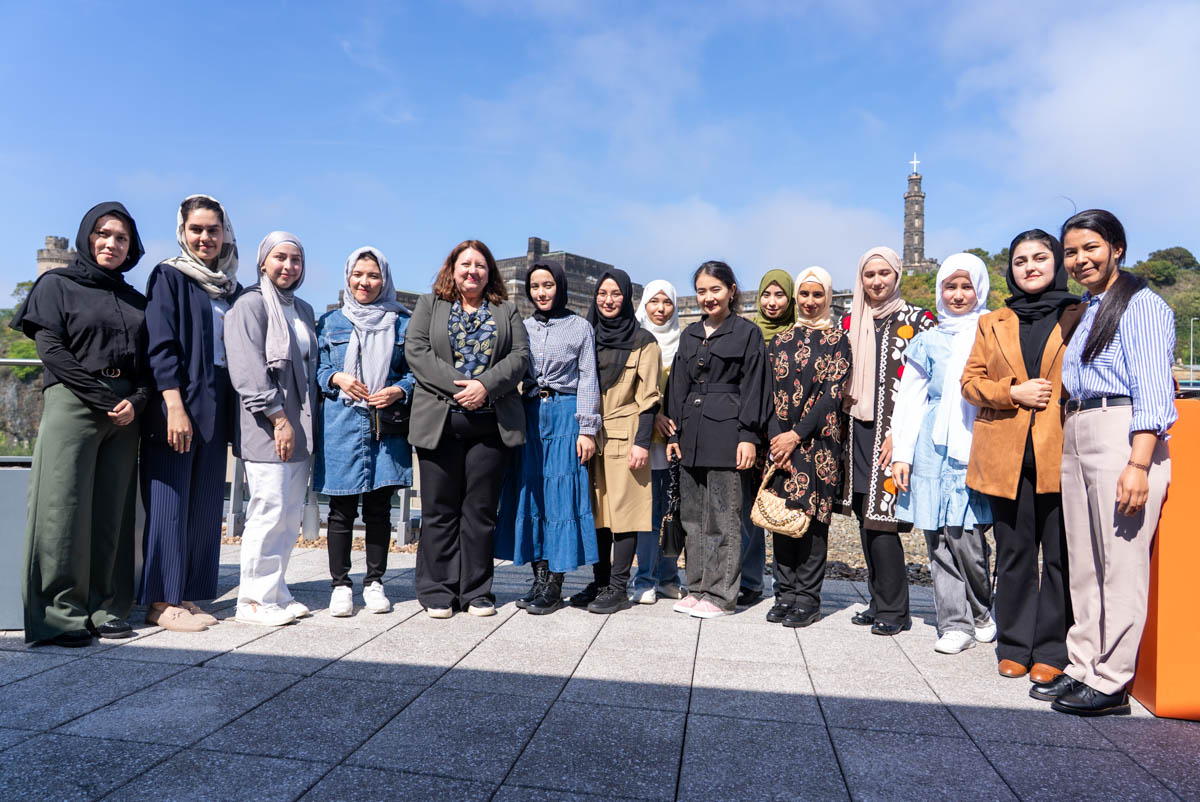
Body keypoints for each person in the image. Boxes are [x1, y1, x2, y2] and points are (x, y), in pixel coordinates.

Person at [1031, 210, 1175, 717]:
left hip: (1123, 430)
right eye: (1071, 252)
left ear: (1116, 247)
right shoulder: (1089, 309)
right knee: (1085, 561)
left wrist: (1138, 463)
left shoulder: (1142, 306)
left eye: (1090, 247)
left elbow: (1154, 391)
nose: (1079, 259)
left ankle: (1112, 680)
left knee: (1120, 563)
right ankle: (1083, 664)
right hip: (1078, 428)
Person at [13, 202, 149, 646]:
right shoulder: (56, 283)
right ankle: (59, 615)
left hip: (125, 411)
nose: (112, 244)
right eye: (103, 234)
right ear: (87, 237)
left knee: (114, 512)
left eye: (122, 238)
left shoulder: (135, 300)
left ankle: (106, 608)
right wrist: (100, 397)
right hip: (73, 402)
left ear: (132, 247)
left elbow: (149, 366)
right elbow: (51, 349)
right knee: (61, 510)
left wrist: (136, 400)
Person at [961, 230, 1083, 682]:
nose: (1030, 267)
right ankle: (1013, 644)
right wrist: (1013, 392)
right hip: (1005, 456)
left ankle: (1052, 647)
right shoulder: (993, 321)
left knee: (1059, 556)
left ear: (1055, 263)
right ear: (1009, 269)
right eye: (1019, 260)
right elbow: (970, 383)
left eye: (1039, 257)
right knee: (1013, 553)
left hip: (1063, 452)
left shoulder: (1080, 313)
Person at [406, 240, 528, 618]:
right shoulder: (430, 306)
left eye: (480, 265)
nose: (472, 271)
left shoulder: (506, 311)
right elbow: (417, 351)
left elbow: (521, 357)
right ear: (452, 269)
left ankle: (476, 591)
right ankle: (437, 591)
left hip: (491, 425)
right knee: (439, 510)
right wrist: (462, 387)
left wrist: (485, 386)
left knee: (480, 512)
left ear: (489, 272)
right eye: (465, 264)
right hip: (439, 423)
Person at [139, 195, 241, 633]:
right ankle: (161, 601)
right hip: (178, 400)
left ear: (225, 233)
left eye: (213, 230)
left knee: (202, 503)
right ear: (183, 231)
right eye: (196, 229)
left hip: (217, 401)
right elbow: (160, 345)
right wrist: (173, 404)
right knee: (170, 501)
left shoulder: (228, 287)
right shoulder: (169, 276)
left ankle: (190, 594)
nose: (205, 238)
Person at [891, 254, 994, 654]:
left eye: (966, 286)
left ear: (980, 289)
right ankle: (955, 623)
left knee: (967, 535)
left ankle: (982, 609)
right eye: (950, 286)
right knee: (936, 535)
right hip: (931, 442)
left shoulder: (993, 332)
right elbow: (910, 400)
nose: (957, 294)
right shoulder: (927, 339)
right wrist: (902, 453)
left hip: (975, 437)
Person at [839, 246, 936, 636]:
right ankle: (878, 601)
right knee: (866, 515)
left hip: (894, 432)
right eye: (869, 274)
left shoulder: (919, 320)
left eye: (884, 273)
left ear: (896, 275)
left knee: (885, 521)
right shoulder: (851, 321)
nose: (876, 281)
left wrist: (902, 432)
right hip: (857, 430)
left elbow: (927, 384)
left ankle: (895, 610)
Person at [495, 262, 600, 614]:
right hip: (529, 416)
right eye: (535, 286)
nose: (541, 292)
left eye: (548, 285)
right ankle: (538, 579)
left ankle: (555, 584)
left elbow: (588, 378)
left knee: (559, 497)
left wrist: (588, 429)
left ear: (561, 287)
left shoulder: (580, 327)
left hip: (566, 415)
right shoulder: (521, 327)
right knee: (533, 493)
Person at [314, 247, 414, 617]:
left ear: (384, 280)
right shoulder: (330, 323)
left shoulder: (402, 323)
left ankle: (374, 581)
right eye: (358, 274)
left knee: (378, 509)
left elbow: (415, 372)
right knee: (340, 509)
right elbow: (317, 370)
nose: (365, 282)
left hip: (385, 427)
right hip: (341, 425)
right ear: (347, 277)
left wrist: (399, 389)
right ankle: (340, 584)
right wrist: (336, 376)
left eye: (373, 275)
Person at [667, 261, 769, 618]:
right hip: (691, 433)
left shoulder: (747, 333)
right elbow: (677, 386)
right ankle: (696, 587)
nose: (708, 297)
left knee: (723, 517)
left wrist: (749, 436)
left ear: (731, 291)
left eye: (715, 289)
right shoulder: (690, 334)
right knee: (692, 517)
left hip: (728, 433)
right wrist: (675, 433)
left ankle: (721, 594)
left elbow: (756, 387)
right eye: (701, 291)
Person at [226, 231, 317, 627]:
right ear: (263, 262)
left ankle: (276, 591)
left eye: (296, 259)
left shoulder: (302, 309)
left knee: (289, 514)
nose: (288, 266)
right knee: (267, 510)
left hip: (300, 426)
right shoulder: (250, 305)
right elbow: (247, 371)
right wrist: (278, 418)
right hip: (268, 425)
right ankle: (252, 600)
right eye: (280, 258)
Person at [764, 267, 851, 627]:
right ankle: (784, 594)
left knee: (813, 524)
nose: (810, 302)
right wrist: (777, 440)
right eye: (804, 294)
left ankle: (807, 598)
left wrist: (795, 435)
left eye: (818, 295)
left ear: (827, 298)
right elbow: (768, 395)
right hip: (780, 444)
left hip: (820, 444)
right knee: (782, 520)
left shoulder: (837, 339)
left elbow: (831, 395)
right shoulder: (780, 341)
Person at [572, 269, 662, 615]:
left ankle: (618, 586)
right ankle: (600, 581)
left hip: (626, 437)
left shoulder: (644, 342)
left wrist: (642, 442)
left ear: (627, 299)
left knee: (625, 515)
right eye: (602, 294)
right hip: (590, 435)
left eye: (616, 294)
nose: (608, 300)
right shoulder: (587, 336)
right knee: (597, 513)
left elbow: (650, 398)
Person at [741, 270, 796, 605]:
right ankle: (750, 580)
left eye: (779, 295)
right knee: (750, 507)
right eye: (766, 295)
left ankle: (787, 586)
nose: (772, 302)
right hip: (752, 432)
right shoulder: (748, 333)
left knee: (784, 507)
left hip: (788, 435)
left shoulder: (798, 334)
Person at [631, 279, 685, 603]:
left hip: (673, 442)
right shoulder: (636, 342)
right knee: (648, 514)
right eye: (654, 302)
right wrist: (654, 418)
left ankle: (670, 576)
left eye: (667, 302)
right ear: (644, 306)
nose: (661, 309)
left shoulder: (684, 342)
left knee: (672, 511)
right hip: (644, 442)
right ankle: (644, 579)